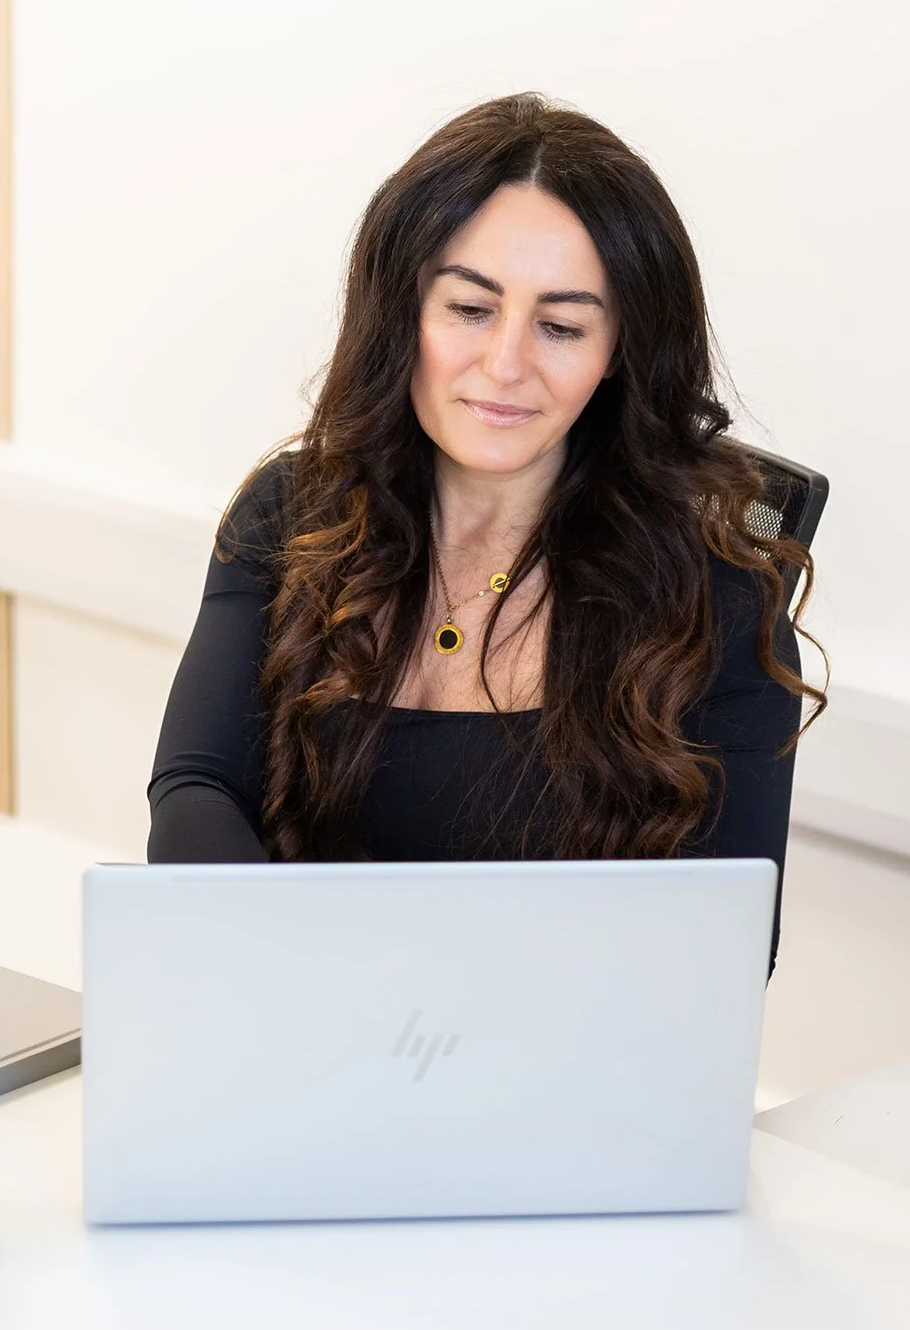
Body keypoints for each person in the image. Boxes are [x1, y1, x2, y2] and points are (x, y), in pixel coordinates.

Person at [147, 94, 825, 965]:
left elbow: (719, 957)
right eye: (470, 309)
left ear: (619, 352)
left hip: (559, 1079)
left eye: (562, 326)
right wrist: (311, 997)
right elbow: (198, 789)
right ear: (403, 312)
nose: (506, 366)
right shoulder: (293, 511)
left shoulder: (719, 597)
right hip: (296, 1041)